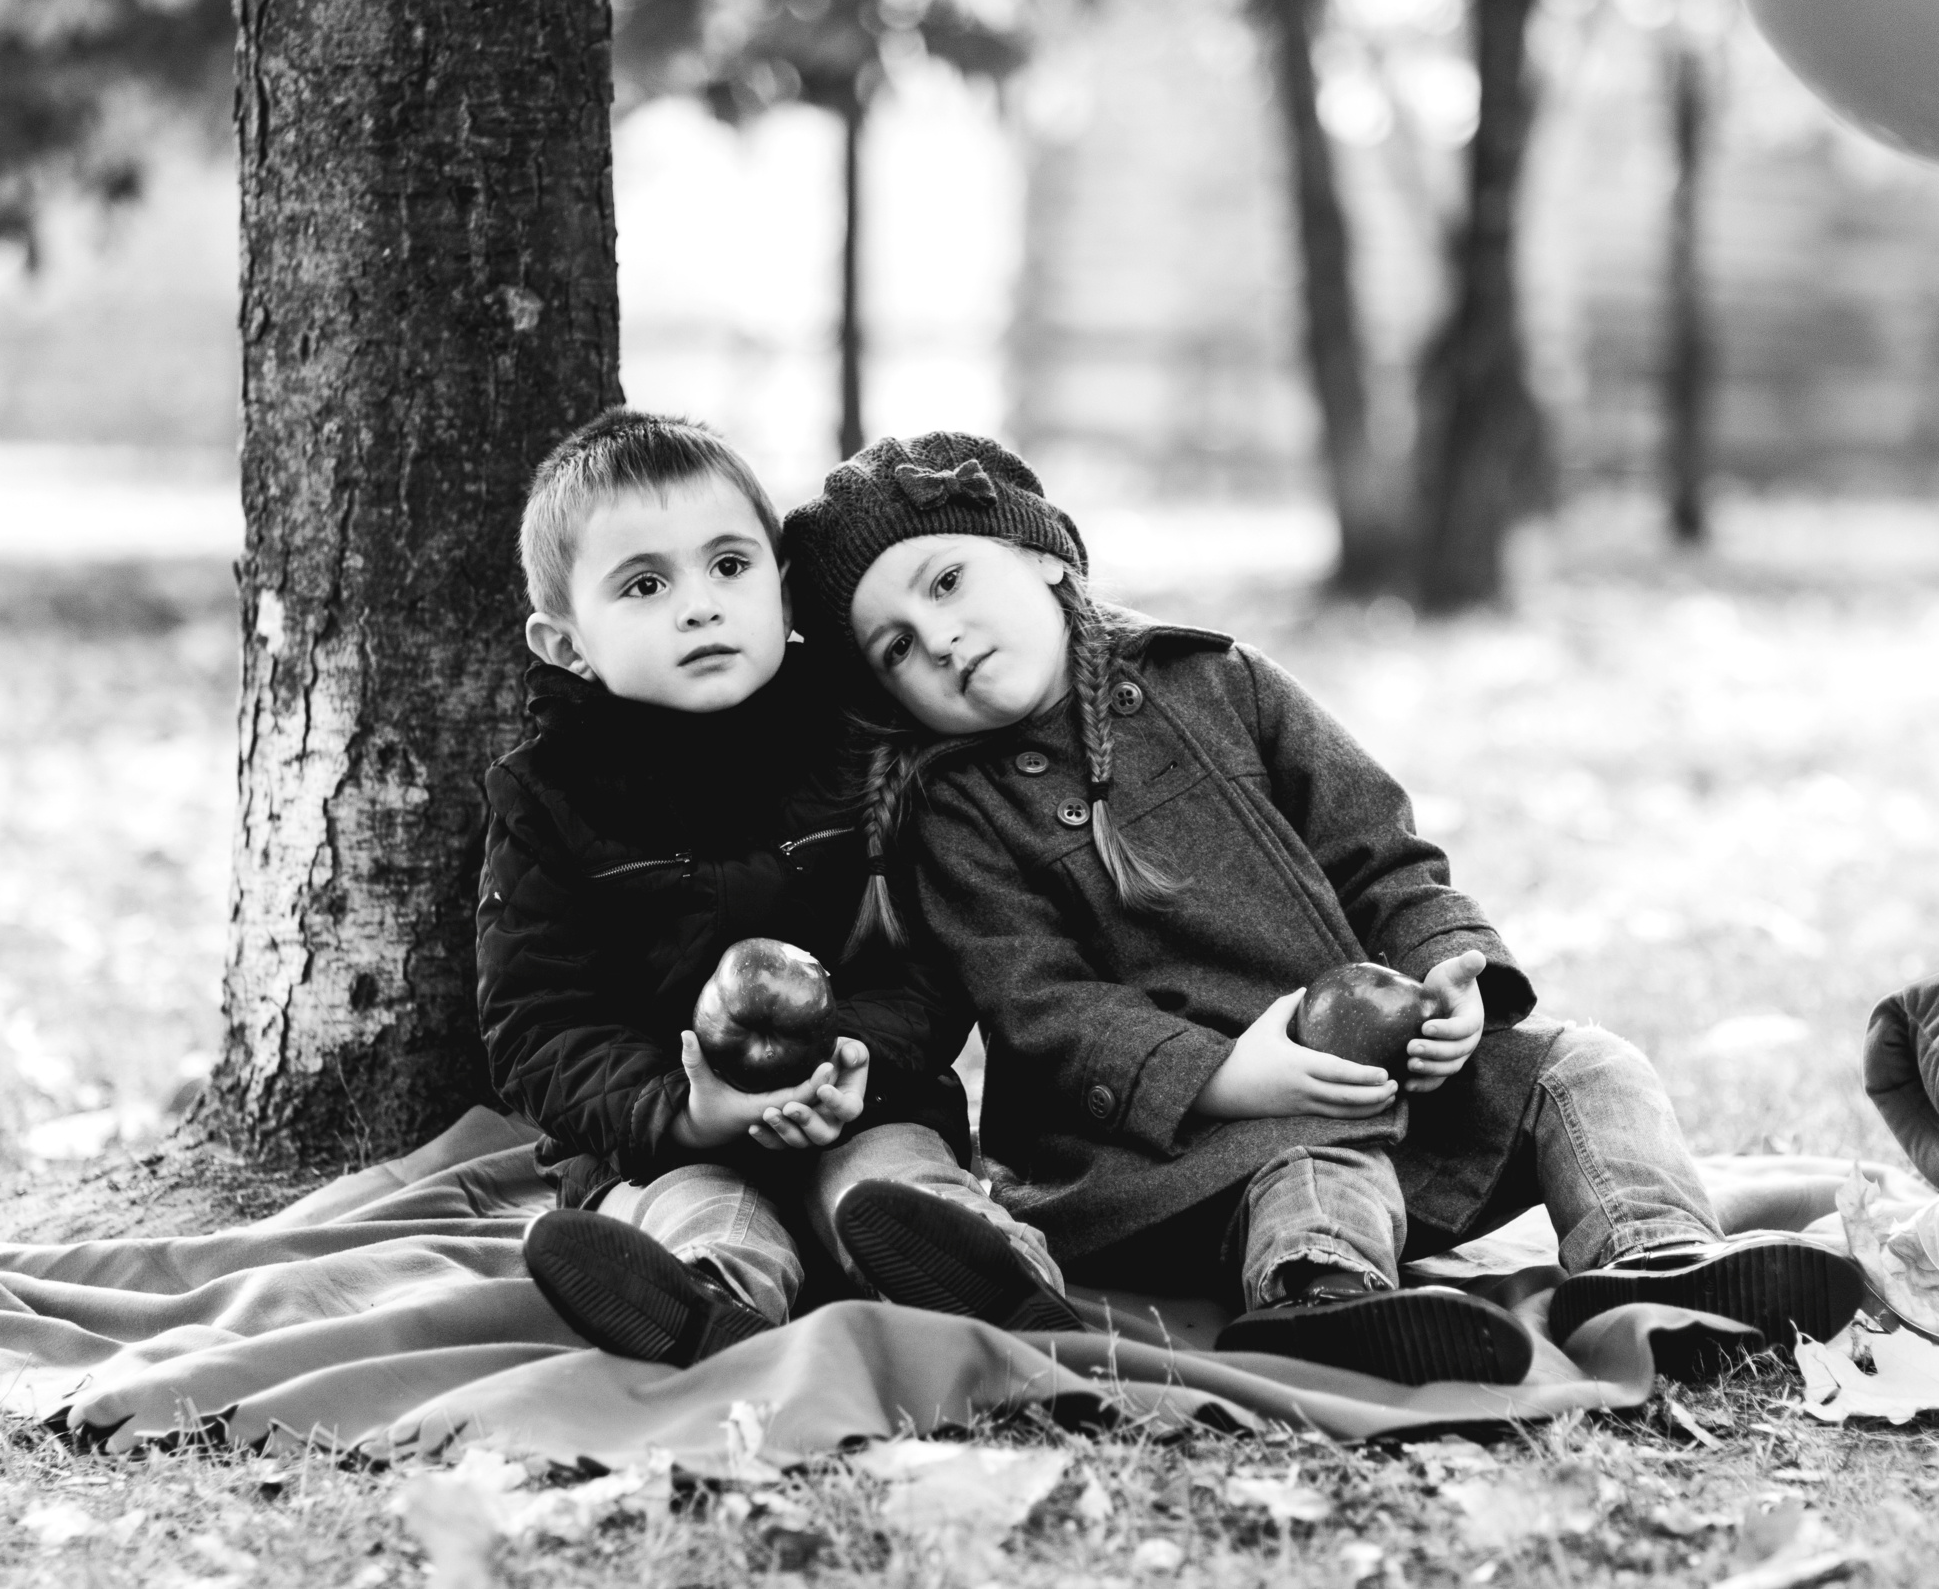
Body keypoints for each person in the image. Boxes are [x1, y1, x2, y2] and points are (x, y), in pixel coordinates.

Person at [781, 431, 1868, 1385]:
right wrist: (1220, 1077)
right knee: (1313, 1160)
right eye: (894, 648)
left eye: (946, 582)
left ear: (1037, 553)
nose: (939, 639)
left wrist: (1452, 981)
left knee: (1587, 1067)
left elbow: (1381, 852)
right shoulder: (953, 812)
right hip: (1166, 1156)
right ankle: (1325, 1309)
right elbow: (1042, 1009)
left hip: (1384, 1078)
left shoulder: (1220, 683)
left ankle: (1656, 1266)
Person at [476, 409, 1080, 1368]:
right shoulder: (547, 798)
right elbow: (539, 1022)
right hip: (668, 1138)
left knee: (898, 1193)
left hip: (862, 1104)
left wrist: (852, 1059)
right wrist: (682, 1108)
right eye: (643, 584)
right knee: (704, 1211)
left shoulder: (861, 741)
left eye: (729, 566)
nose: (700, 605)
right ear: (565, 644)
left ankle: (1004, 1286)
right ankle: (711, 1304)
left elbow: (931, 960)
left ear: (784, 591)